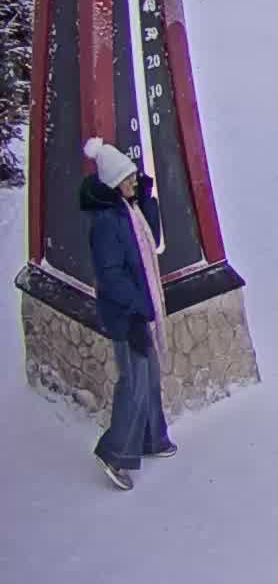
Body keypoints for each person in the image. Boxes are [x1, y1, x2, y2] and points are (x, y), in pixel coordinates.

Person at [81, 138, 174, 491]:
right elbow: (111, 275)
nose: (134, 182)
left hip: (137, 309)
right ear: (114, 182)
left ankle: (153, 439)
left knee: (148, 376)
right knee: (134, 383)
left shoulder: (127, 211)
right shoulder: (107, 222)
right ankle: (114, 453)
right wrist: (137, 309)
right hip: (125, 315)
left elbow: (151, 240)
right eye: (130, 179)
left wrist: (146, 196)